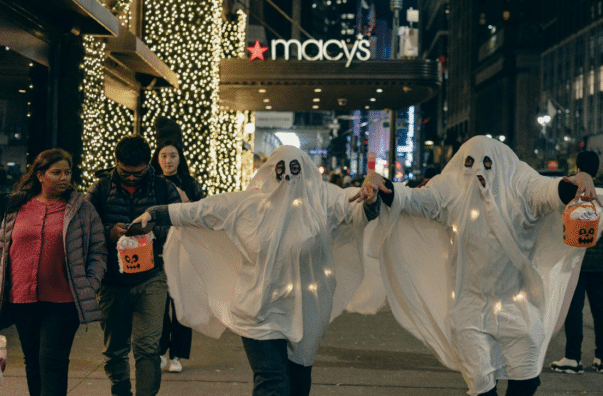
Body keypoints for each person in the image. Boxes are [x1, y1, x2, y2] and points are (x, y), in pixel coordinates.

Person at [352, 136, 603, 396]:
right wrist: (381, 182)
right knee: (480, 384)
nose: (478, 171)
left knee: (527, 378)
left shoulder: (521, 185)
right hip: (469, 308)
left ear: (499, 163)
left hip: (518, 306)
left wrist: (578, 180)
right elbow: (414, 199)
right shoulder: (450, 189)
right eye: (469, 163)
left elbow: (550, 191)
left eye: (486, 163)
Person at [132, 145, 380, 396]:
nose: (287, 178)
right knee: (273, 383)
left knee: (298, 383)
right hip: (259, 310)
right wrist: (155, 214)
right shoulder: (246, 205)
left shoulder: (321, 202)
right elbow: (200, 211)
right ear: (270, 171)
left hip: (305, 311)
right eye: (281, 170)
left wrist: (371, 196)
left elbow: (353, 204)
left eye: (294, 170)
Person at [0, 148, 107, 395]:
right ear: (40, 175)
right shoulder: (16, 206)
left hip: (63, 301)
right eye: (56, 172)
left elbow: (98, 251)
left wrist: (89, 284)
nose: (63, 178)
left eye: (67, 172)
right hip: (22, 299)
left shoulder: (82, 209)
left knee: (51, 362)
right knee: (33, 363)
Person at [87, 135, 181, 396]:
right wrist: (109, 232)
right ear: (116, 163)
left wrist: (151, 233)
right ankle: (121, 392)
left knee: (147, 347)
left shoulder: (163, 188)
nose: (130, 178)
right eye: (125, 172)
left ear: (147, 164)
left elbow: (179, 224)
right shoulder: (101, 188)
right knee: (115, 349)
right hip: (112, 281)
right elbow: (85, 227)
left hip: (152, 278)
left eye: (137, 173)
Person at [550, 151, 603, 375]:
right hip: (602, 263)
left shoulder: (571, 192)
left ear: (577, 168)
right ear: (597, 170)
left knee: (575, 309)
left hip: (577, 261)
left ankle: (573, 357)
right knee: (601, 308)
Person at [151, 139, 204, 373]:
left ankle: (177, 356)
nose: (168, 161)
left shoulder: (190, 184)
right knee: (159, 304)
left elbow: (202, 216)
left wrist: (187, 203)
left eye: (172, 156)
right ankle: (161, 350)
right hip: (157, 250)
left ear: (180, 158)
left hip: (184, 250)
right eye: (163, 156)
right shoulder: (151, 183)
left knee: (181, 304)